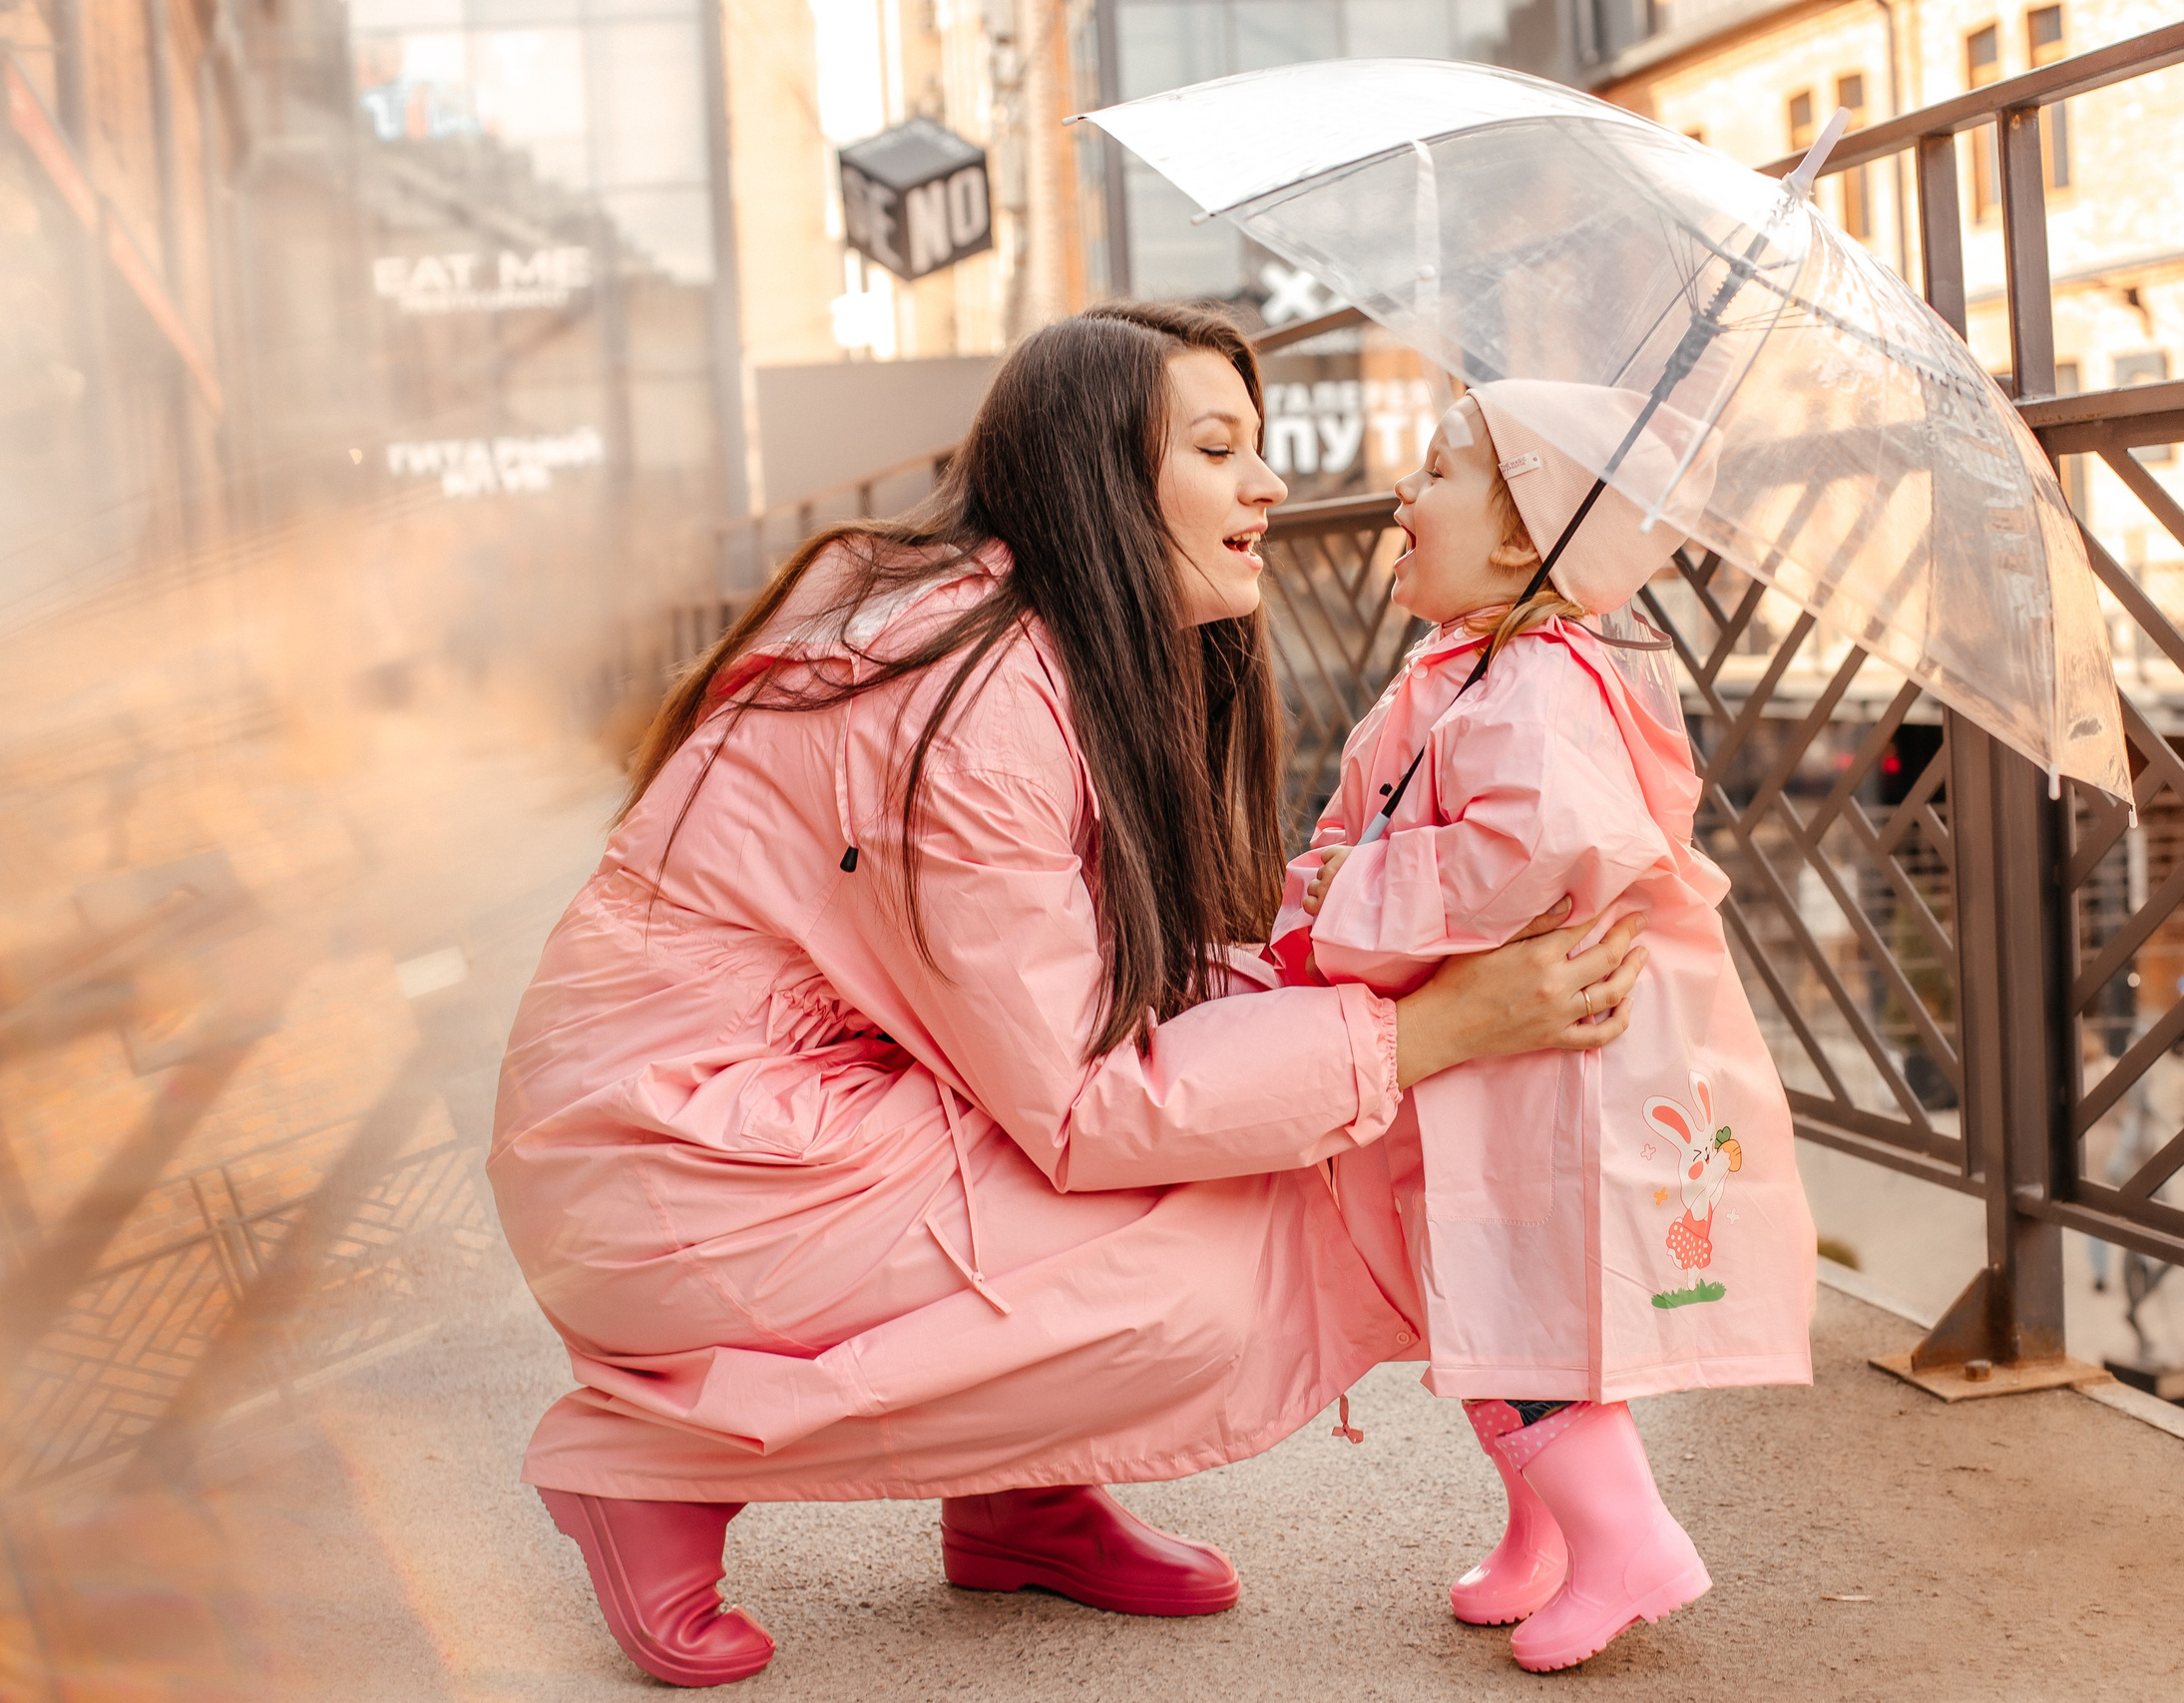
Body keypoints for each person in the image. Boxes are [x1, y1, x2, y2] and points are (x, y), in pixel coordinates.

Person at [489, 304, 1649, 1687]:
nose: (1270, 485)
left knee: (1294, 1129)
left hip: (765, 1113)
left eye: (1260, 446)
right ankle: (654, 1471)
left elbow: (1087, 995)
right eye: (1219, 450)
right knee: (1231, 1264)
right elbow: (1090, 1100)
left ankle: (1022, 1496)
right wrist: (1430, 1026)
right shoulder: (974, 701)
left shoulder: (1026, 643)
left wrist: (1374, 997)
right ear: (1100, 480)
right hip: (685, 1168)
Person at [1268, 382, 1816, 1673]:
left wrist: (1353, 893)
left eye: (1441, 472)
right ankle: (1547, 1531)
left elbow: (1531, 848)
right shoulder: (1476, 668)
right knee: (1503, 1308)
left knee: (1519, 1303)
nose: (1404, 496)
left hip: (1551, 1065)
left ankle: (1631, 1547)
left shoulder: (1540, 681)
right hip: (1501, 1054)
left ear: (1526, 542)